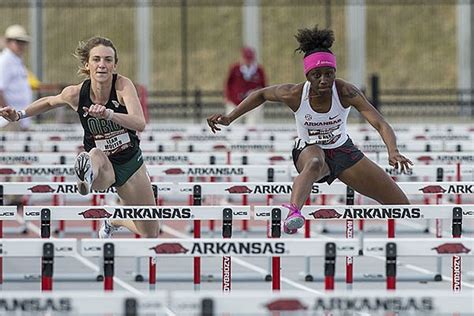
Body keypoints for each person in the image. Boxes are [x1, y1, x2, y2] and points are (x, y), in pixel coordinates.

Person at [208, 25, 413, 234]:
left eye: (329, 74)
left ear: (335, 73)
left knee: (402, 206)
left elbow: (380, 122)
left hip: (343, 150)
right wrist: (230, 117)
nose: (324, 80)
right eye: (317, 75)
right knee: (315, 162)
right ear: (308, 75)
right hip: (308, 149)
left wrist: (393, 151)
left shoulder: (345, 91)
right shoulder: (295, 94)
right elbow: (260, 94)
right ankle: (294, 212)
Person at [0, 36, 159, 239]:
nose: (102, 65)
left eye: (108, 60)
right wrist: (19, 115)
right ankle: (87, 170)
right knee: (96, 154)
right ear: (87, 64)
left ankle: (113, 219)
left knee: (151, 232)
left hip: (130, 163)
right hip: (103, 166)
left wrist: (109, 114)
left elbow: (140, 123)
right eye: (96, 59)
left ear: (115, 65)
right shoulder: (76, 93)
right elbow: (49, 101)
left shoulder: (122, 86)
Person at [0, 25, 33, 131]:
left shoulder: (16, 60)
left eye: (23, 42)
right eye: (17, 42)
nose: (21, 45)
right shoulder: (5, 61)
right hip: (9, 121)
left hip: (19, 119)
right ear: (8, 42)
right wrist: (8, 115)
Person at [224, 46, 266, 124]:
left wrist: (256, 93)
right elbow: (228, 84)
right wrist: (229, 97)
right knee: (233, 125)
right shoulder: (235, 69)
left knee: (253, 124)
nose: (248, 61)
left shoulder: (259, 70)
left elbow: (263, 86)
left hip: (252, 104)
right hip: (235, 102)